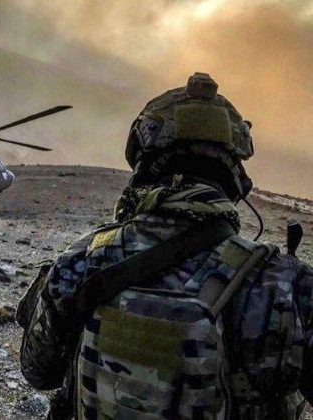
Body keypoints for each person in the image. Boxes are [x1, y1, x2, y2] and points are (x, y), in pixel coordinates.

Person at [18, 73, 313, 419]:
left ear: (143, 167)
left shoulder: (82, 259)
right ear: (236, 181)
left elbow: (38, 371)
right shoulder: (285, 286)